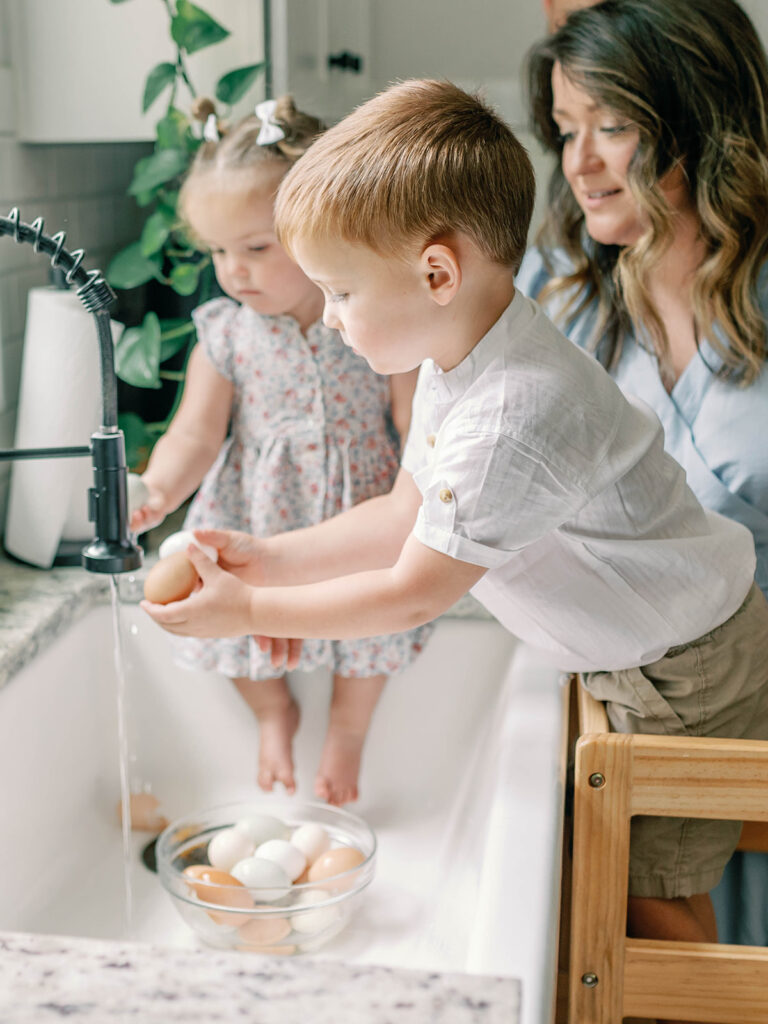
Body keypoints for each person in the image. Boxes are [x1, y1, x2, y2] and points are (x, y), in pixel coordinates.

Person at [140, 78, 768, 950]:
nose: (329, 321)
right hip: (657, 646)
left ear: (437, 272)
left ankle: (710, 1003)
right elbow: (405, 513)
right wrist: (269, 556)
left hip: (682, 671)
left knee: (647, 889)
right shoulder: (461, 353)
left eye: (343, 293)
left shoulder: (510, 413)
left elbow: (410, 591)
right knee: (625, 876)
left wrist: (246, 610)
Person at [518, 0, 768, 947]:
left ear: (698, 120)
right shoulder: (569, 296)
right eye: (567, 130)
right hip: (644, 700)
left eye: (611, 128)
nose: (579, 163)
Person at [130, 96, 431, 807]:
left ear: (316, 226)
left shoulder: (370, 317)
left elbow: (413, 413)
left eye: (256, 247)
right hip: (257, 512)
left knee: (370, 624)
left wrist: (433, 491)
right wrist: (158, 490)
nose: (234, 271)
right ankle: (274, 712)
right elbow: (196, 434)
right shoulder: (227, 332)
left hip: (359, 507)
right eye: (218, 252)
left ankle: (348, 733)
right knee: (222, 609)